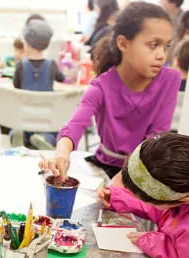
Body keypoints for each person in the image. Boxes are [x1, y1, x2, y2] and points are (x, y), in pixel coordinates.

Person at [39, 2, 181, 180]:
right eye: (153, 45)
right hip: (104, 168)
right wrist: (62, 155)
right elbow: (74, 126)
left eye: (166, 46)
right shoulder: (100, 87)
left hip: (145, 169)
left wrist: (124, 181)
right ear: (123, 43)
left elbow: (156, 137)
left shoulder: (169, 80)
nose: (161, 55)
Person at [98, 133, 189, 258]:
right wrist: (119, 197)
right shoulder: (180, 192)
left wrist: (161, 246)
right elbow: (163, 210)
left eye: (149, 200)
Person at [12, 19, 65, 150]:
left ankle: (20, 135)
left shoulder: (20, 66)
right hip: (46, 118)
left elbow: (16, 87)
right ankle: (44, 138)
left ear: (27, 44)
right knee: (55, 132)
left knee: (17, 128)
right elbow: (62, 78)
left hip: (24, 117)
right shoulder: (52, 65)